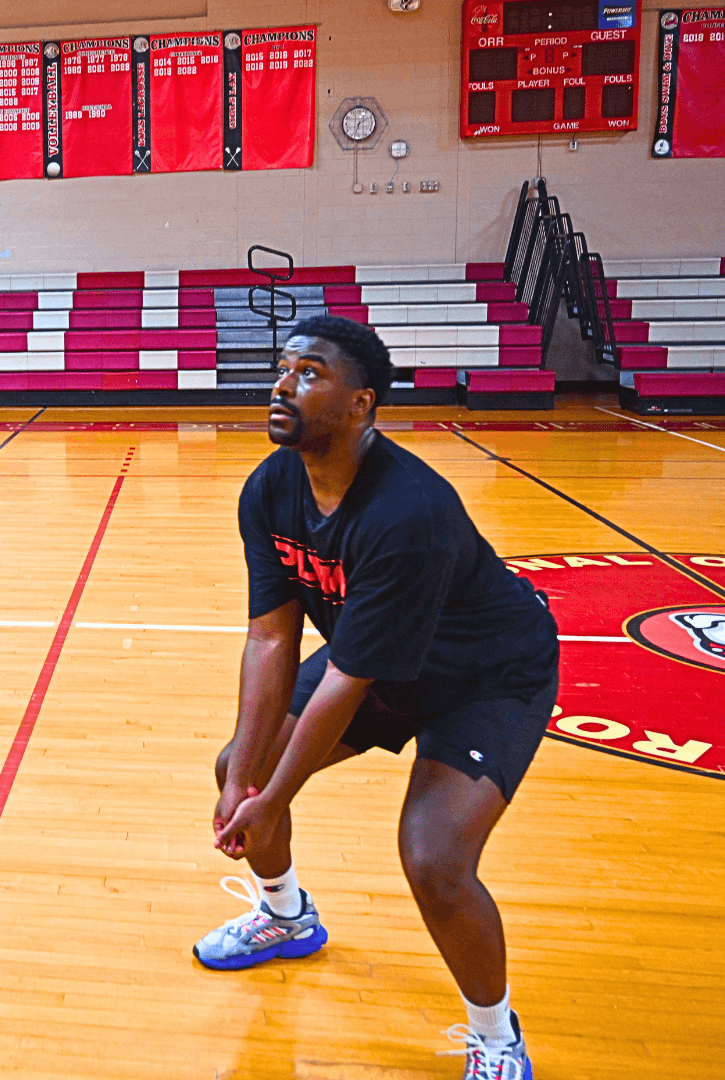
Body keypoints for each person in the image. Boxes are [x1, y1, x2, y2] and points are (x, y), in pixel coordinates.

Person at [195, 315, 558, 1080]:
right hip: (385, 662)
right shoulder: (270, 489)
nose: (284, 383)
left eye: (310, 372)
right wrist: (242, 783)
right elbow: (270, 640)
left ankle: (497, 1036)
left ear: (362, 404)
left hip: (485, 674)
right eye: (283, 367)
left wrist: (269, 794)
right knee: (243, 763)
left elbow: (347, 679)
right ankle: (286, 916)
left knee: (435, 860)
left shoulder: (407, 512)